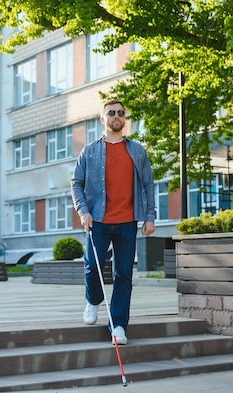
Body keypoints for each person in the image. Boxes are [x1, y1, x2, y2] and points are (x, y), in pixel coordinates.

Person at [71, 99, 156, 345]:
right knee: (92, 266)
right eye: (111, 113)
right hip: (97, 219)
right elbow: (76, 183)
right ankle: (93, 300)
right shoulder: (89, 151)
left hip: (128, 221)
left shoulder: (137, 151)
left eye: (120, 113)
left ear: (124, 118)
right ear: (102, 119)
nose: (116, 116)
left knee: (124, 274)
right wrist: (83, 211)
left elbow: (148, 184)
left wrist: (149, 216)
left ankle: (118, 324)